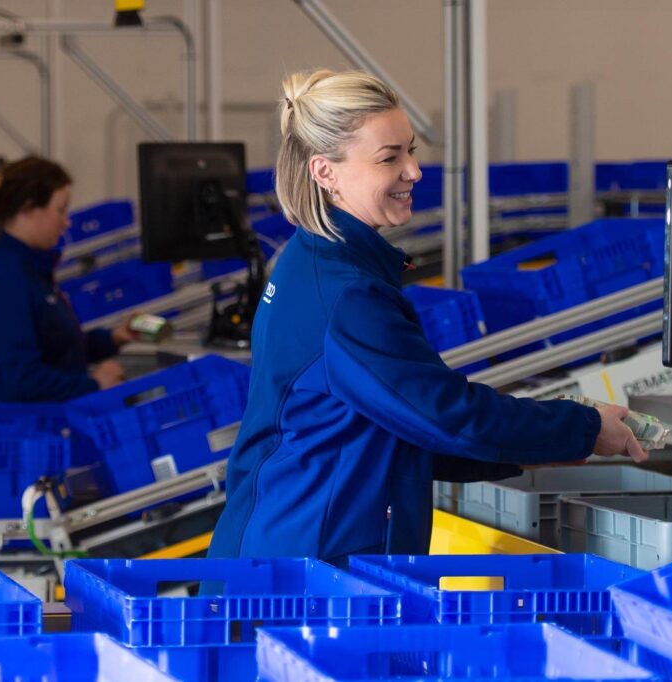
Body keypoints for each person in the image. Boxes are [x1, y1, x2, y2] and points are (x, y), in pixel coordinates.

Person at [207, 70, 649, 566]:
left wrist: (548, 439)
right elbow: (446, 414)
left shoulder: (312, 259)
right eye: (389, 157)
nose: (414, 171)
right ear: (324, 172)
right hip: (309, 569)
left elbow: (399, 428)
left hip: (289, 545)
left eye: (411, 151)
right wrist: (584, 428)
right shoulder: (346, 295)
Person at [0, 156, 133, 403]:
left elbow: (58, 349)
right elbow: (23, 379)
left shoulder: (30, 271)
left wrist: (114, 337)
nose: (66, 221)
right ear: (29, 208)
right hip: (26, 430)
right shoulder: (6, 281)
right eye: (60, 210)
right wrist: (95, 383)